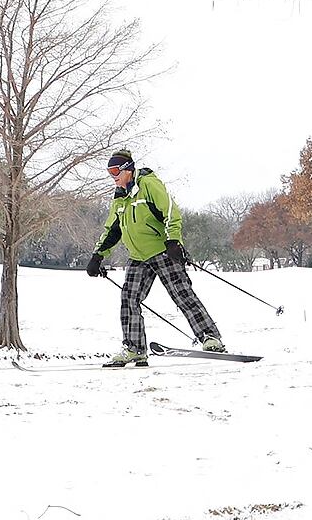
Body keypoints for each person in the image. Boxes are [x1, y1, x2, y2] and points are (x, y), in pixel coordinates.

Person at [87, 148, 225, 366]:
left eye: (115, 171)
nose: (112, 177)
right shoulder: (120, 199)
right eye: (109, 172)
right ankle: (135, 349)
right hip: (138, 257)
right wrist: (97, 256)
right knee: (129, 300)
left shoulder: (149, 184)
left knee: (182, 295)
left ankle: (210, 338)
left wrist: (173, 241)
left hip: (162, 250)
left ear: (128, 170)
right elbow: (112, 229)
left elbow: (171, 212)